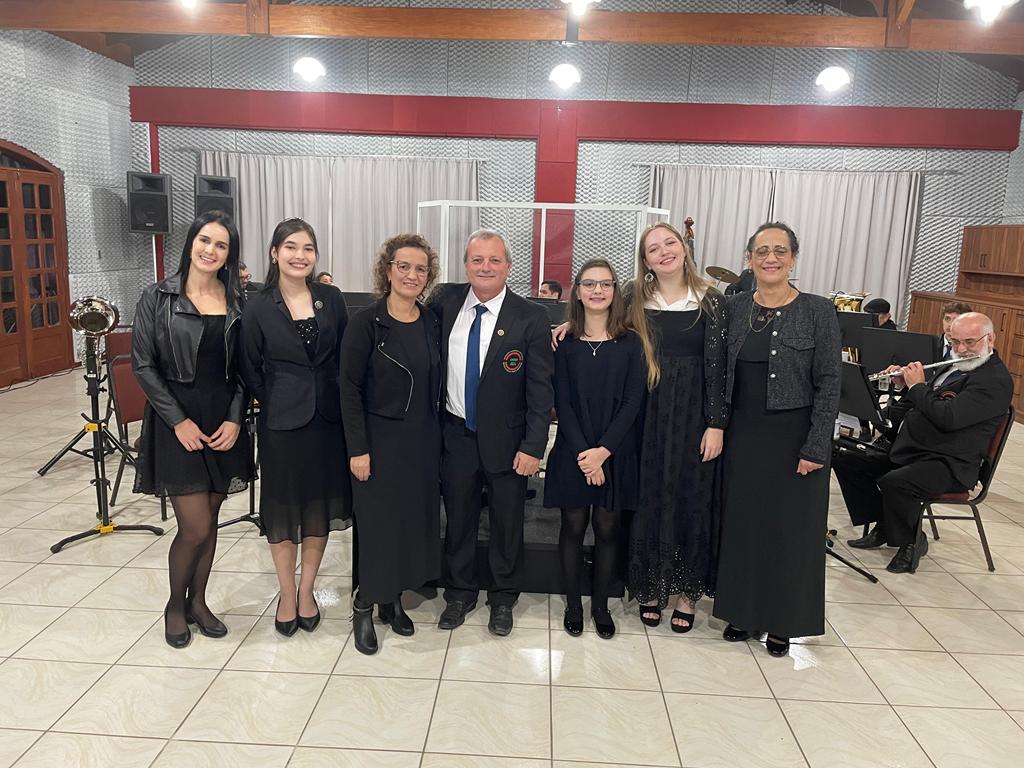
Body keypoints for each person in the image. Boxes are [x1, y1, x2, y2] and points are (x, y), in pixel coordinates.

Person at [713, 222, 841, 658]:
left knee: (790, 533)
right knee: (744, 526)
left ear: (793, 258)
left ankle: (783, 622)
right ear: (749, 259)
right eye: (762, 251)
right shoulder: (732, 307)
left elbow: (830, 383)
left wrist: (816, 446)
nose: (771, 258)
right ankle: (743, 613)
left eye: (780, 251)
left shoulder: (818, 311)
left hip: (794, 437)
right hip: (742, 434)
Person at [132, 211, 252, 649]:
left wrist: (235, 418)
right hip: (176, 419)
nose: (210, 250)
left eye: (221, 245)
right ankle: (174, 606)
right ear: (191, 242)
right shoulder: (157, 296)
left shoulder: (238, 301)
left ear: (229, 255)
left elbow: (246, 369)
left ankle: (198, 602)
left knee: (212, 518)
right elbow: (143, 365)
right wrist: (178, 420)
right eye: (205, 240)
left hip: (223, 421)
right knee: (195, 527)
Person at [427, 228, 554, 637]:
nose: (485, 267)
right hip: (455, 436)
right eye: (477, 260)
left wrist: (533, 446)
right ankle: (459, 594)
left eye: (494, 260)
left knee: (507, 523)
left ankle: (503, 598)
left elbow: (540, 390)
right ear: (466, 265)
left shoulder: (530, 316)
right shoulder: (443, 303)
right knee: (458, 520)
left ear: (508, 266)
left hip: (510, 442)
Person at [240, 219, 351, 637]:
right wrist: (277, 398)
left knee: (319, 507)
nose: (299, 256)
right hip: (282, 424)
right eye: (290, 247)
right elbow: (249, 367)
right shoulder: (257, 305)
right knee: (284, 510)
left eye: (307, 248)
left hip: (328, 422)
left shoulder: (331, 298)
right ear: (274, 253)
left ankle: (307, 591)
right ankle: (287, 594)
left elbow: (344, 355)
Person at [834, 312, 1013, 573]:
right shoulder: (955, 366)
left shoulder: (993, 380)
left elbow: (949, 418)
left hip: (950, 462)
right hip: (918, 449)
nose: (962, 349)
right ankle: (884, 523)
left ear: (991, 339)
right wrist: (903, 385)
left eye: (970, 342)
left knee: (896, 482)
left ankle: (912, 541)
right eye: (955, 342)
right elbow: (924, 404)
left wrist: (917, 387)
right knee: (847, 459)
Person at [340, 234, 443, 655]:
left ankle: (392, 600)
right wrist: (357, 449)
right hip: (378, 443)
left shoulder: (431, 320)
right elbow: (348, 389)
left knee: (409, 525)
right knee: (379, 529)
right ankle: (364, 604)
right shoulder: (366, 322)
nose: (411, 275)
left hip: (422, 441)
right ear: (388, 270)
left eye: (420, 269)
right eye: (403, 266)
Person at [625, 222, 728, 632]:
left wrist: (716, 423)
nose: (664, 251)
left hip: (693, 418)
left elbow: (718, 368)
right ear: (645, 260)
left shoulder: (712, 300)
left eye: (670, 243)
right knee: (648, 497)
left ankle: (687, 594)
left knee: (692, 500)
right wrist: (566, 327)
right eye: (654, 248)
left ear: (684, 248)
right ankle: (650, 587)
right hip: (645, 414)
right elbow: (599, 326)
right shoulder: (634, 298)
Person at [544, 259, 645, 639]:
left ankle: (600, 606)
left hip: (615, 452)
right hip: (574, 449)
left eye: (605, 284)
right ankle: (573, 604)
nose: (598, 291)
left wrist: (603, 452)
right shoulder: (564, 344)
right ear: (578, 291)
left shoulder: (632, 343)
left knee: (607, 528)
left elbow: (632, 403)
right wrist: (585, 455)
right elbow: (563, 402)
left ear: (616, 291)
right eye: (589, 284)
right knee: (572, 526)